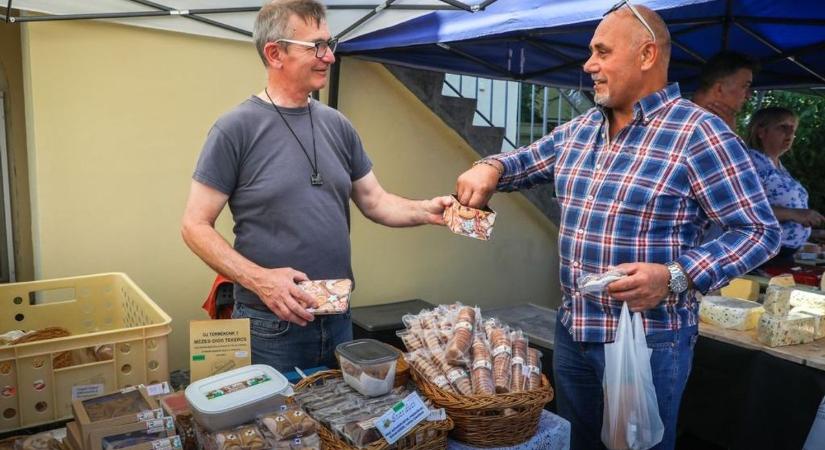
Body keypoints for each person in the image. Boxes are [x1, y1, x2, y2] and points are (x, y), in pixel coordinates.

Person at [455, 3, 780, 449]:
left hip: (649, 341)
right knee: (580, 441)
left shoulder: (698, 133)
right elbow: (522, 162)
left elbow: (759, 230)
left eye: (602, 52)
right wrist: (489, 167)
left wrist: (675, 276)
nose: (589, 65)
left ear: (646, 55)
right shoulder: (583, 128)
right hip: (573, 330)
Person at [181, 0, 451, 374]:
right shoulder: (235, 129)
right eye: (317, 47)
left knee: (336, 428)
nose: (330, 57)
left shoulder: (338, 125)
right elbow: (194, 226)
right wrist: (261, 281)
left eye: (330, 44)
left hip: (338, 318)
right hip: (270, 326)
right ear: (275, 53)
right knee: (281, 430)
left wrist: (428, 210)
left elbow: (376, 201)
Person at [745, 107, 825, 264]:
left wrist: (813, 231)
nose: (790, 134)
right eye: (783, 127)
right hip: (760, 255)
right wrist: (794, 214)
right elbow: (744, 209)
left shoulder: (777, 166)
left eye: (793, 128)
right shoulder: (750, 163)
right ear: (761, 132)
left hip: (782, 254)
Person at [692, 50, 760, 130]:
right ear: (719, 89)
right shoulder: (704, 128)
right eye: (744, 86)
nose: (748, 96)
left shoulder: (683, 116)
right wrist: (729, 134)